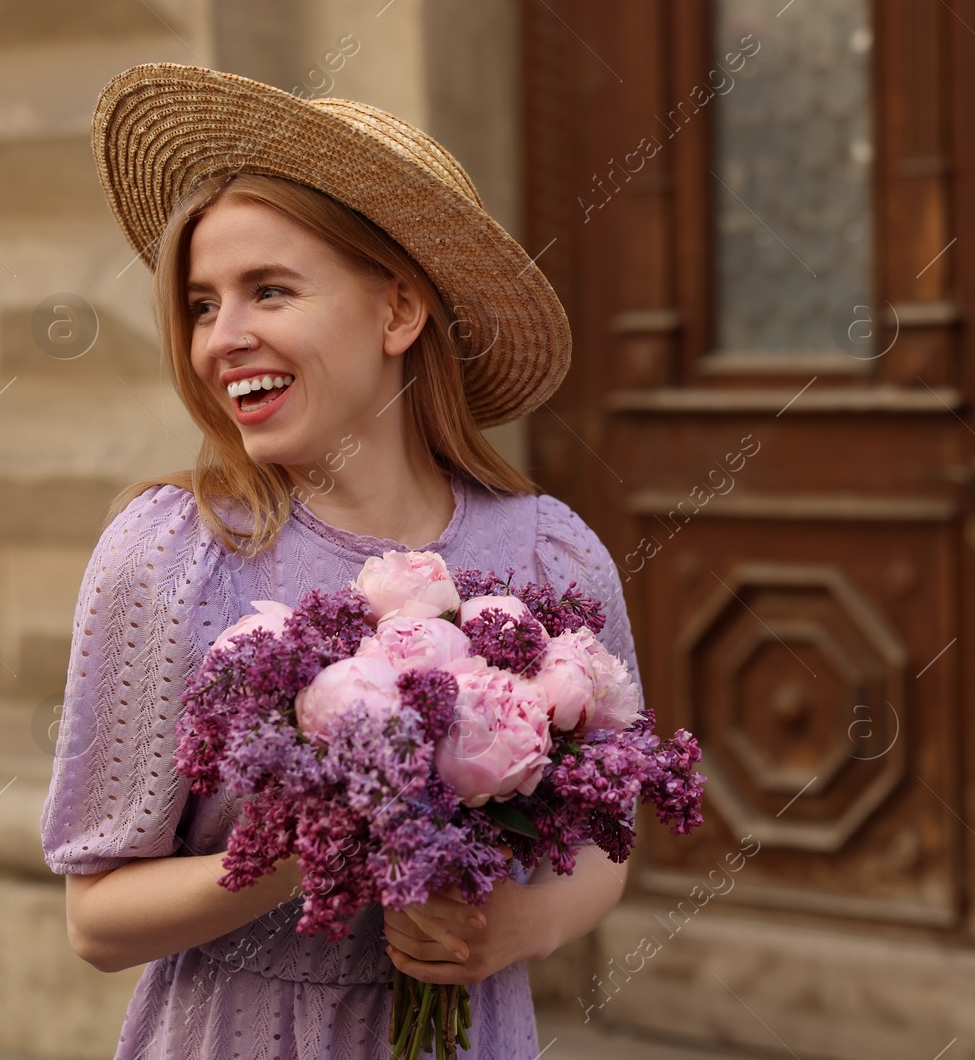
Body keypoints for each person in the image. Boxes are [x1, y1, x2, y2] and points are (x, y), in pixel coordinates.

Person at [38, 63, 636, 1058]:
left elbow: (604, 843)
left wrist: (513, 930)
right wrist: (316, 837)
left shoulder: (548, 549)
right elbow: (96, 917)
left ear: (398, 311)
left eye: (268, 289)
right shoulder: (168, 555)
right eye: (199, 303)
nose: (221, 339)